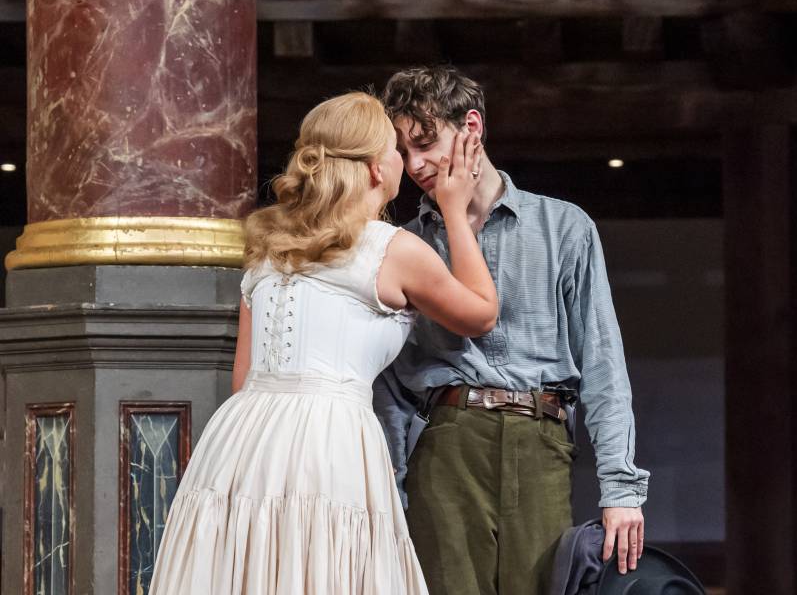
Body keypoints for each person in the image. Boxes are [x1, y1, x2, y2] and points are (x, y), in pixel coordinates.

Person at [148, 91, 498, 595]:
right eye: (395, 149)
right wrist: (453, 210)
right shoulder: (392, 249)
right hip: (328, 438)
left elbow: (244, 377)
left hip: (239, 440)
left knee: (248, 568)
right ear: (377, 169)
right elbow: (481, 314)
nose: (404, 160)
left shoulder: (268, 248)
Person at [373, 66, 651, 595]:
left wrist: (621, 489)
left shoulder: (563, 226)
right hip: (446, 438)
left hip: (540, 437)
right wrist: (391, 486)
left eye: (425, 143)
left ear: (471, 127)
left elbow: (602, 363)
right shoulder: (404, 245)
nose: (415, 165)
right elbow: (388, 379)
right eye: (403, 152)